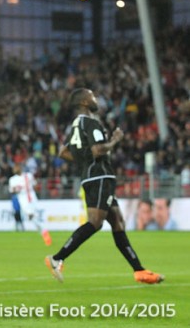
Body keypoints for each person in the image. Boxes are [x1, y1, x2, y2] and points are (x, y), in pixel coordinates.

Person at [46, 88, 164, 284]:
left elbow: (63, 152)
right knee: (95, 222)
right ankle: (57, 258)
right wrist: (114, 140)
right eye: (92, 97)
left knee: (117, 222)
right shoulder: (91, 123)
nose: (96, 99)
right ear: (84, 102)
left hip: (95, 177)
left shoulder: (76, 125)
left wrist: (84, 162)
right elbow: (99, 149)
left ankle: (139, 271)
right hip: (99, 176)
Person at [8, 164, 52, 245]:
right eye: (14, 168)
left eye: (16, 167)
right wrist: (16, 189)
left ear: (20, 168)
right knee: (31, 215)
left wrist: (35, 187)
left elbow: (35, 185)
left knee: (34, 216)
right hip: (23, 199)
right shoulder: (12, 179)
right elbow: (11, 190)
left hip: (32, 197)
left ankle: (43, 232)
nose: (15, 169)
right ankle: (44, 232)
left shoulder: (28, 175)